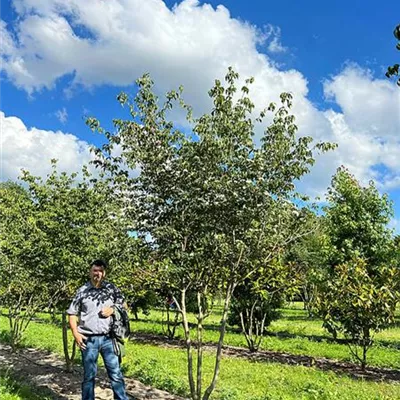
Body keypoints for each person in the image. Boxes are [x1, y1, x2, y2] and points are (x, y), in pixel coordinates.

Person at [67, 259, 129, 400]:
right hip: (88, 340)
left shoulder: (111, 289)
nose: (98, 274)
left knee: (116, 374)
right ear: (90, 272)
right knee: (89, 377)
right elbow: (71, 313)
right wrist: (76, 333)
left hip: (109, 339)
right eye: (95, 270)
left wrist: (112, 310)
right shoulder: (82, 291)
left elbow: (124, 305)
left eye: (100, 271)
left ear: (104, 273)